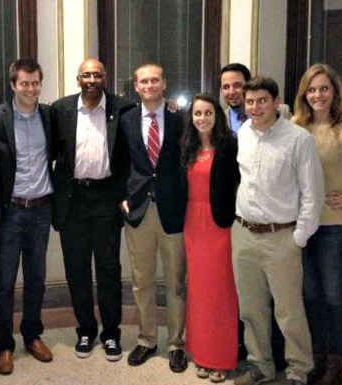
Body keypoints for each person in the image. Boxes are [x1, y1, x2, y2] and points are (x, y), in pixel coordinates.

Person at [232, 76, 324, 385]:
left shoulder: (299, 139)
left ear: (276, 101)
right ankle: (261, 365)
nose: (255, 107)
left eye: (262, 101)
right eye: (250, 102)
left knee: (288, 312)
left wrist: (297, 238)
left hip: (281, 237)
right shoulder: (243, 132)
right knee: (251, 308)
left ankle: (299, 370)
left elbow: (313, 195)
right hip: (243, 233)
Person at [293, 63, 342, 385]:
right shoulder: (296, 127)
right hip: (303, 228)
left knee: (334, 297)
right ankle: (318, 358)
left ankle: (336, 365)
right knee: (310, 296)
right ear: (304, 94)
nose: (318, 95)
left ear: (334, 92)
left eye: (324, 88)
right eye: (312, 89)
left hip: (334, 230)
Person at [51, 58, 134, 361]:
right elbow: (48, 152)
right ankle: (85, 330)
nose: (91, 79)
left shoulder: (123, 108)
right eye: (86, 74)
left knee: (109, 269)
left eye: (96, 75)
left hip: (106, 198)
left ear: (105, 78)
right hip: (72, 200)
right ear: (78, 79)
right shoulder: (60, 110)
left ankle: (111, 333)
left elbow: (129, 154)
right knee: (77, 270)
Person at [0, 59, 54, 375]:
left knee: (37, 277)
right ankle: (4, 345)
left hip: (41, 209)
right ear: (12, 85)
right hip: (10, 211)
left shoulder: (49, 115)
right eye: (24, 83)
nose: (30, 88)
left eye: (35, 82)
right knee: (5, 282)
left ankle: (32, 334)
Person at [119, 63, 188, 372]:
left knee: (175, 282)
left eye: (154, 80)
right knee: (141, 281)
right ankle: (147, 339)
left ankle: (176, 344)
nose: (149, 85)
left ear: (164, 83)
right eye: (143, 81)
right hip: (138, 211)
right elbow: (118, 162)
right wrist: (122, 198)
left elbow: (188, 162)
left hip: (173, 211)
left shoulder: (181, 120)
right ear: (136, 86)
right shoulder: (126, 120)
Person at [181, 93, 240, 383]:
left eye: (207, 113)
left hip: (220, 226)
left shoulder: (229, 146)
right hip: (193, 224)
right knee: (199, 291)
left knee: (221, 292)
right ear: (191, 118)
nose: (202, 118)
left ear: (217, 116)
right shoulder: (187, 147)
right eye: (197, 113)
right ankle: (201, 354)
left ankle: (221, 358)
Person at [221, 63, 291, 133]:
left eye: (237, 85)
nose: (231, 92)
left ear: (248, 85)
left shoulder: (283, 112)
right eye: (226, 87)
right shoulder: (217, 119)